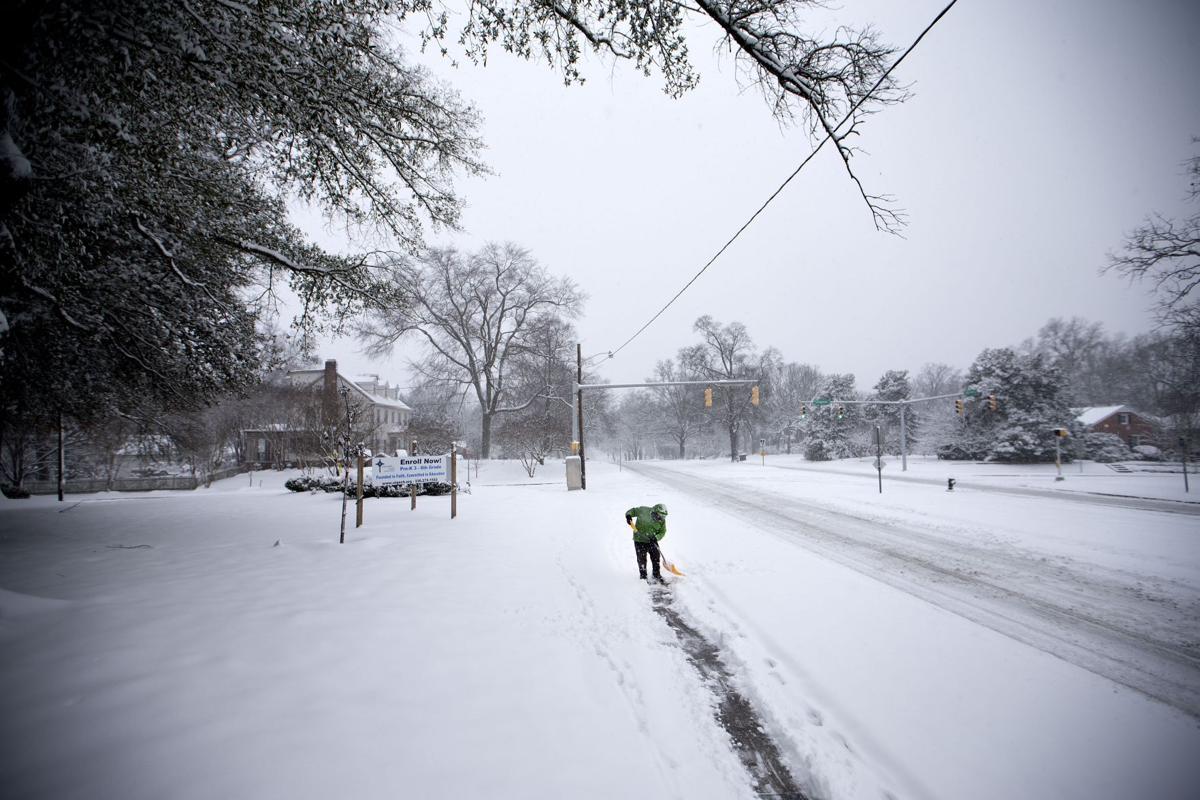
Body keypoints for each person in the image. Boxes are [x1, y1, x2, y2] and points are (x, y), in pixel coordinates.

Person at [624, 503, 669, 584]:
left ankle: (656, 574)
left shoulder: (661, 521)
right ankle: (643, 576)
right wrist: (628, 516)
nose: (661, 518)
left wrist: (656, 538)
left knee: (656, 557)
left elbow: (662, 531)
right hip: (639, 540)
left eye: (663, 516)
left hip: (652, 541)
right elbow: (632, 511)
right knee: (641, 559)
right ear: (655, 512)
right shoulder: (643, 510)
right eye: (660, 516)